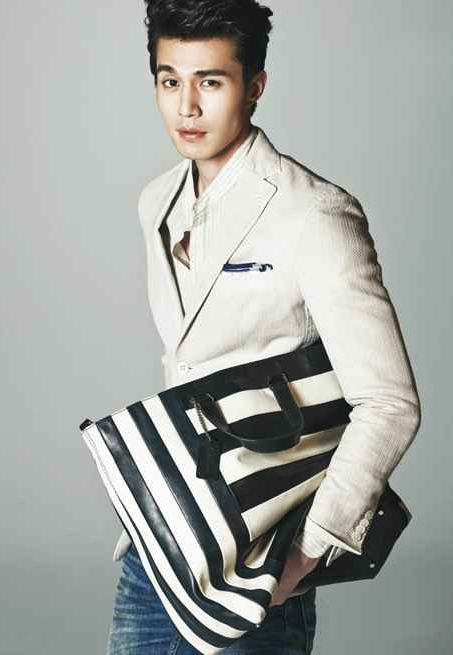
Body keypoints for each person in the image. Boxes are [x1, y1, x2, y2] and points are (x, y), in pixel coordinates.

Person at [106, 1, 421, 653]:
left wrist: (302, 556)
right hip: (157, 548)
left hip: (256, 560)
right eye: (169, 80)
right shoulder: (155, 201)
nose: (187, 107)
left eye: (210, 81)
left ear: (254, 86)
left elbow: (389, 403)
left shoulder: (315, 215)